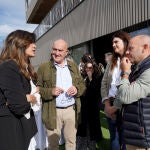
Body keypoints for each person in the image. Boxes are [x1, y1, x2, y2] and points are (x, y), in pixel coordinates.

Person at [37, 39, 86, 150]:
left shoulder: (73, 66)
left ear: (66, 52)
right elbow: (38, 89)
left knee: (71, 143)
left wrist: (76, 89)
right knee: (53, 145)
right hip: (53, 111)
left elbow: (82, 85)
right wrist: (50, 91)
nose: (57, 53)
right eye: (55, 49)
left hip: (71, 110)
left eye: (60, 50)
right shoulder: (43, 67)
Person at [109, 35, 150, 150]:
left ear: (145, 47)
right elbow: (124, 92)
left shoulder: (147, 69)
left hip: (143, 138)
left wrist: (125, 73)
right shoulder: (138, 67)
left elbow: (125, 96)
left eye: (131, 48)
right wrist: (116, 107)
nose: (127, 52)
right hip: (134, 133)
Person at [0, 30, 37, 150]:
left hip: (22, 125)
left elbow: (17, 100)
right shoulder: (9, 67)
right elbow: (19, 105)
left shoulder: (23, 68)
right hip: (11, 128)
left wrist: (25, 97)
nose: (34, 45)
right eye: (30, 42)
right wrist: (26, 98)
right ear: (20, 44)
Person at [101, 31, 130, 150]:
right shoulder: (112, 60)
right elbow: (104, 83)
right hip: (110, 104)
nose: (113, 45)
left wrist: (115, 107)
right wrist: (107, 105)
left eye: (116, 42)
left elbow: (131, 87)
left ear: (125, 42)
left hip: (125, 107)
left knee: (125, 139)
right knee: (114, 137)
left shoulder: (131, 60)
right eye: (112, 42)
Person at [76, 59, 103, 150]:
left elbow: (96, 92)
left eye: (90, 68)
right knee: (82, 128)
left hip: (93, 108)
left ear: (94, 69)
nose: (88, 70)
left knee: (92, 129)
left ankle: (91, 147)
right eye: (87, 68)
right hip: (83, 108)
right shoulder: (82, 77)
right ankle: (82, 147)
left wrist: (91, 78)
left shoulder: (97, 78)